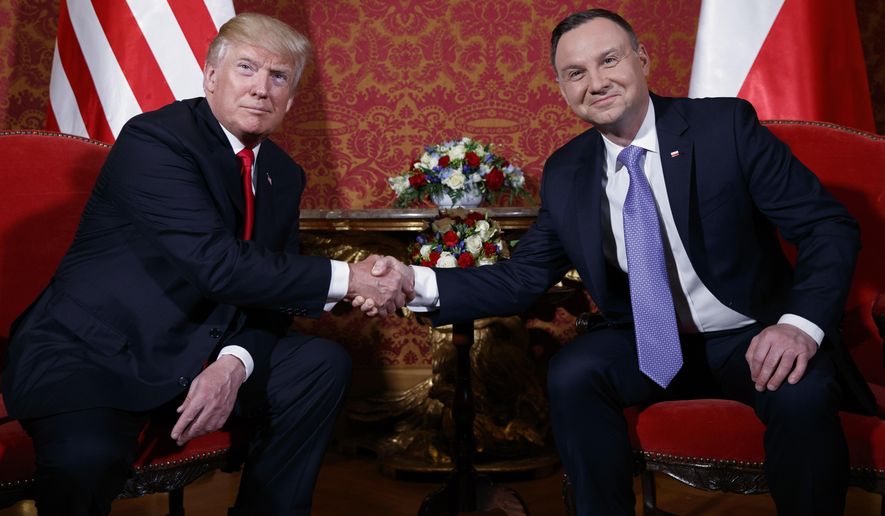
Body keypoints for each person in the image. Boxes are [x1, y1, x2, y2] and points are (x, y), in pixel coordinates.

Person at [363, 8, 875, 515]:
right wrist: (416, 281)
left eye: (609, 60)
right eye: (575, 73)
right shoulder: (568, 170)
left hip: (752, 332)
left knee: (800, 393)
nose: (596, 82)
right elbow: (522, 278)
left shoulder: (724, 127)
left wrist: (799, 326)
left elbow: (826, 226)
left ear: (642, 60)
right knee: (574, 372)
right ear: (563, 89)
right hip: (651, 343)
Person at [2, 12, 411, 516]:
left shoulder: (283, 173)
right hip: (95, 350)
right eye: (247, 68)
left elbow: (272, 298)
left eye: (278, 77)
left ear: (291, 98)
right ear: (211, 76)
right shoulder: (156, 141)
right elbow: (218, 265)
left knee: (318, 366)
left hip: (203, 343)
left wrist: (233, 364)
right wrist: (352, 277)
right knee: (88, 458)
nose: (262, 88)